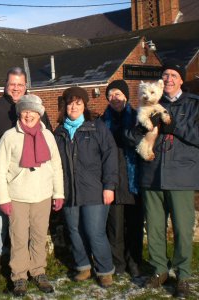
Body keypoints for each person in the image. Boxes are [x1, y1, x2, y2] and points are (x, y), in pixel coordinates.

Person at [125, 60, 199, 298]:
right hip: (152, 174)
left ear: (181, 80)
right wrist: (139, 131)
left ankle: (183, 275)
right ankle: (159, 270)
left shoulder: (194, 104)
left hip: (181, 175)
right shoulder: (149, 102)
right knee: (155, 228)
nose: (168, 79)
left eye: (173, 75)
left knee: (182, 228)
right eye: (165, 75)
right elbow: (128, 136)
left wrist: (174, 126)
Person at [0, 66, 53, 285]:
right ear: (6, 85)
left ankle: (32, 267)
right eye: (12, 84)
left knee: (26, 229)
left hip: (29, 183)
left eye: (20, 85)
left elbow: (47, 142)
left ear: (26, 87)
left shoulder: (36, 108)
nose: (16, 88)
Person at [0, 94, 64, 296]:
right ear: (20, 113)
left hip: (42, 195)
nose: (28, 115)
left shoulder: (48, 136)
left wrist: (58, 193)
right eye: (25, 111)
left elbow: (56, 166)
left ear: (39, 114)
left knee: (39, 236)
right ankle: (19, 277)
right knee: (18, 238)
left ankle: (39, 271)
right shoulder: (9, 136)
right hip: (17, 197)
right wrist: (4, 199)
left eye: (32, 111)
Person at [54, 87, 118, 288]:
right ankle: (83, 266)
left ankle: (104, 269)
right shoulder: (59, 132)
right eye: (70, 103)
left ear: (84, 105)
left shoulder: (96, 128)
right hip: (69, 191)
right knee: (74, 230)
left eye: (78, 103)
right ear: (65, 106)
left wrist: (109, 186)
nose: (74, 107)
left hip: (94, 190)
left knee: (94, 231)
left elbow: (110, 157)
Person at [101, 80, 143, 278]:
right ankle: (118, 264)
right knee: (114, 227)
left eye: (117, 94)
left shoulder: (137, 118)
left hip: (133, 181)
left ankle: (134, 262)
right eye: (110, 95)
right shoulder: (102, 122)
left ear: (125, 96)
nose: (114, 98)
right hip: (113, 181)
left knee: (134, 226)